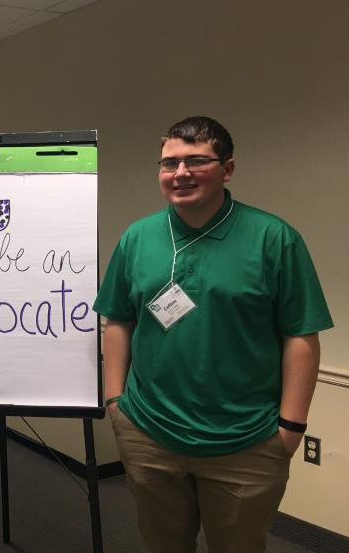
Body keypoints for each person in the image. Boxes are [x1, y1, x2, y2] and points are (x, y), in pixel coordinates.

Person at [93, 116, 333, 552]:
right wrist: (116, 403)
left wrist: (291, 428)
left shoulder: (273, 239)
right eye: (169, 164)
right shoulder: (138, 237)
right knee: (162, 545)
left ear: (228, 169)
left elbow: (301, 336)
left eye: (196, 161)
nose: (180, 173)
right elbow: (119, 321)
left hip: (247, 439)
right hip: (149, 431)